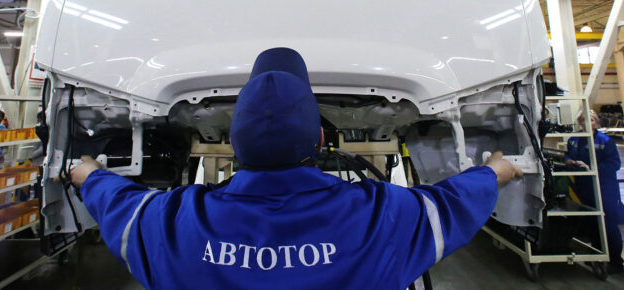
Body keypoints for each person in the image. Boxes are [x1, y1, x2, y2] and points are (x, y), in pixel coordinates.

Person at [70, 47, 522, 289]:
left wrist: (86, 171)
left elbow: (115, 200)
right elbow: (452, 203)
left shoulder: (170, 223)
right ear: (321, 140)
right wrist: (496, 170)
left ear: (232, 144)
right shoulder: (382, 216)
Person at [566, 109, 623, 273]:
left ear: (596, 122)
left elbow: (614, 164)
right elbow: (567, 154)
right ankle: (598, 254)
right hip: (585, 187)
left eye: (590, 120)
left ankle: (615, 261)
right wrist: (569, 161)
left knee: (608, 223)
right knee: (592, 223)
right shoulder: (574, 140)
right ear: (579, 122)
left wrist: (591, 167)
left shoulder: (604, 141)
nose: (587, 123)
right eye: (583, 120)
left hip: (604, 188)